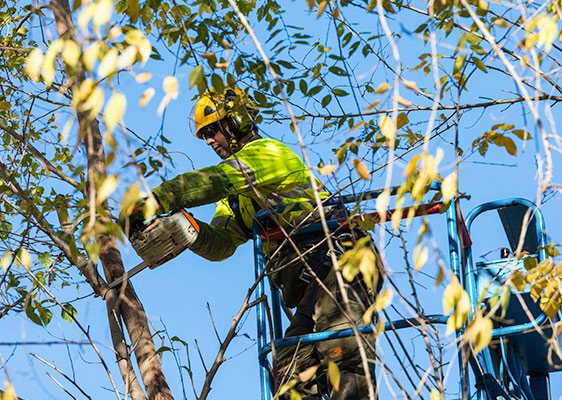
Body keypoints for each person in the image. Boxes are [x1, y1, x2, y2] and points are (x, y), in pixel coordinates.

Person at [122, 87, 382, 399]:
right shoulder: (236, 197)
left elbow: (214, 180)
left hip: (338, 262)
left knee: (342, 351)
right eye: (204, 134)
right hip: (309, 286)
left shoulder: (268, 154)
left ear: (238, 122)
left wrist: (157, 199)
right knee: (289, 378)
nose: (208, 141)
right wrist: (186, 227)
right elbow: (222, 244)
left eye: (213, 130)